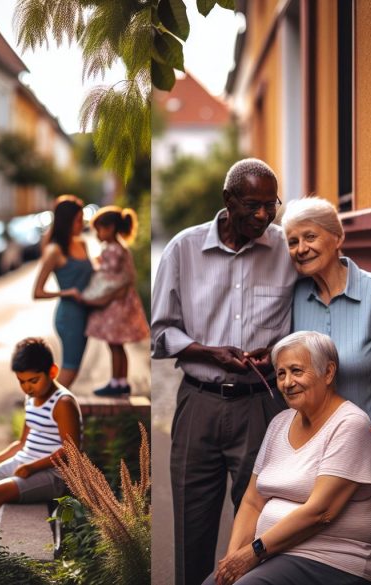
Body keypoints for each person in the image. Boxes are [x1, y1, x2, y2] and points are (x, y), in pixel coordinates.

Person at [151, 158, 298, 585]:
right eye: (252, 205)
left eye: (271, 205)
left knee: (262, 525)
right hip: (197, 402)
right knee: (190, 524)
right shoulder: (182, 249)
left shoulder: (286, 251)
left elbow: (306, 321)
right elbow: (160, 333)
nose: (263, 216)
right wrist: (209, 352)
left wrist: (277, 352)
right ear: (227, 200)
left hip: (262, 406)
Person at [203, 331, 371, 585]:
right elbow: (253, 501)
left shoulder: (350, 424)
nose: (287, 382)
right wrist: (233, 559)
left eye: (297, 371)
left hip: (331, 560)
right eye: (281, 374)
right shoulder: (279, 422)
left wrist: (252, 553)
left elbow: (321, 512)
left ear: (328, 373)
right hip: (275, 555)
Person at [282, 196, 371, 579]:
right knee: (324, 564)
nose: (301, 249)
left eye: (309, 236)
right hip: (319, 464)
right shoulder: (297, 297)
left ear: (338, 237)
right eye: (292, 241)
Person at [0, 337, 81, 545]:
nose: (27, 387)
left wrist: (33, 467)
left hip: (53, 474)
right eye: (22, 381)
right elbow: (21, 444)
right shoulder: (31, 399)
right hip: (25, 462)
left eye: (33, 380)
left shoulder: (63, 403)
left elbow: (70, 451)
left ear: (52, 372)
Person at [84, 206, 150, 396]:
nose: (97, 234)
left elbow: (108, 277)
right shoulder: (121, 247)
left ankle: (116, 382)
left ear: (111, 227)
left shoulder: (112, 249)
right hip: (124, 302)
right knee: (118, 345)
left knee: (114, 344)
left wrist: (90, 292)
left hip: (115, 305)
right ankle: (121, 381)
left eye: (100, 229)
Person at [33, 195, 93, 388]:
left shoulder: (82, 243)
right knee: (70, 369)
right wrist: (67, 293)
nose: (81, 223)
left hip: (86, 314)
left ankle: (48, 413)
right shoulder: (54, 251)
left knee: (72, 371)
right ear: (67, 220)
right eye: (78, 219)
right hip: (69, 316)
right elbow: (37, 292)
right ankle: (41, 414)